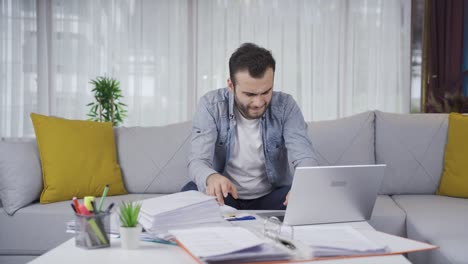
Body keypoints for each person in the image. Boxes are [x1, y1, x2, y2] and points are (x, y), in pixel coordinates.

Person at [182, 43, 318, 210]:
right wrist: (211, 177)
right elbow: (198, 161)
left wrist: (302, 188)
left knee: (310, 199)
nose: (259, 102)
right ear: (231, 86)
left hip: (271, 196)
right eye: (250, 94)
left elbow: (305, 157)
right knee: (189, 194)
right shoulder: (210, 105)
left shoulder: (286, 106)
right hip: (225, 197)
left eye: (266, 91)